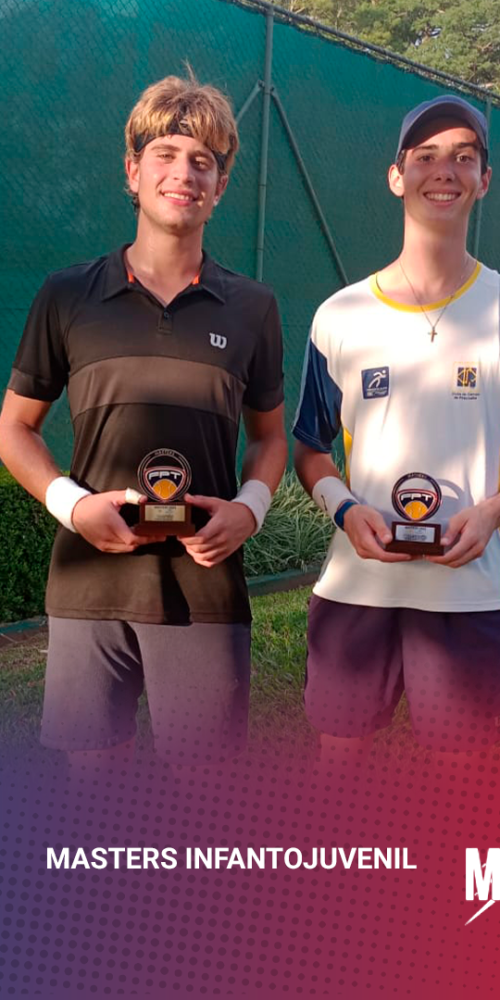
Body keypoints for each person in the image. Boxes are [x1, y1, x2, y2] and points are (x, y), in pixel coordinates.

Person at [0, 73, 287, 770]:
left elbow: (270, 437)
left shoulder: (253, 307)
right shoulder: (67, 295)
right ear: (133, 171)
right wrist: (73, 507)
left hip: (205, 587)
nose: (183, 173)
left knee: (205, 794)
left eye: (203, 161)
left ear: (221, 186)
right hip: (89, 584)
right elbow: (15, 427)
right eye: (165, 154)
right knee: (95, 794)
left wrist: (248, 511)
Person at [293, 95, 500, 768]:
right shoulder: (339, 315)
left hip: (474, 591)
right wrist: (345, 510)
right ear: (396, 175)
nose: (445, 170)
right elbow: (310, 449)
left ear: (484, 180)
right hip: (359, 587)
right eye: (426, 156)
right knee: (340, 764)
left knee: (463, 780)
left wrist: (491, 514)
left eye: (464, 157)